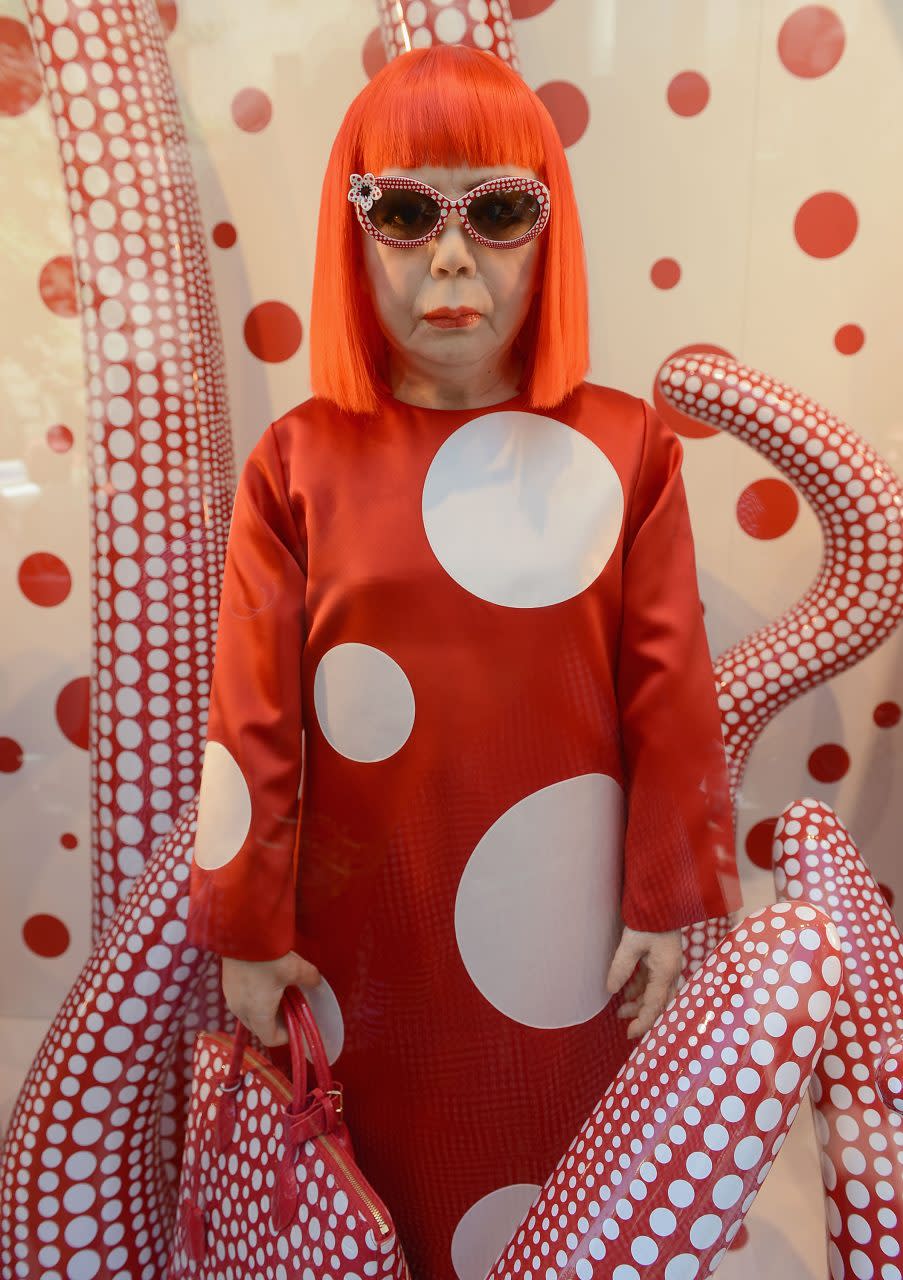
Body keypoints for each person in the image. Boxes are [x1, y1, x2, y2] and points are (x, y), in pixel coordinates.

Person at [187, 43, 741, 1280]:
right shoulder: (297, 462)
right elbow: (255, 716)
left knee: (547, 1175)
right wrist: (244, 919)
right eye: (402, 211)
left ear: (548, 233)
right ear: (357, 233)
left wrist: (666, 899)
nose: (449, 258)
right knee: (365, 1173)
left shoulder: (626, 448)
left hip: (560, 921)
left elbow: (670, 686)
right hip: (358, 921)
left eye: (496, 212)